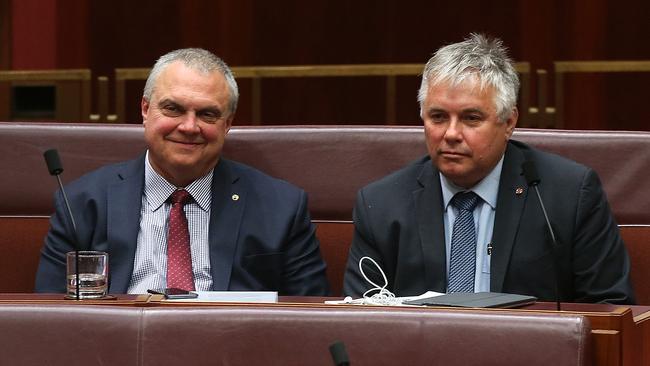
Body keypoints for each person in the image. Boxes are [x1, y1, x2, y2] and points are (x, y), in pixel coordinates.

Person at [343, 34, 635, 304]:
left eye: (471, 118)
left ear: (508, 122)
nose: (452, 133)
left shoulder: (568, 195)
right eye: (438, 117)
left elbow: (611, 310)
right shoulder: (381, 204)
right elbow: (361, 316)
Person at [35, 48, 329, 295]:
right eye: (173, 109)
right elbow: (50, 314)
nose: (189, 127)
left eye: (207, 114)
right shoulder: (82, 203)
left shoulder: (282, 207)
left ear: (227, 125)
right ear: (145, 110)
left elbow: (311, 319)